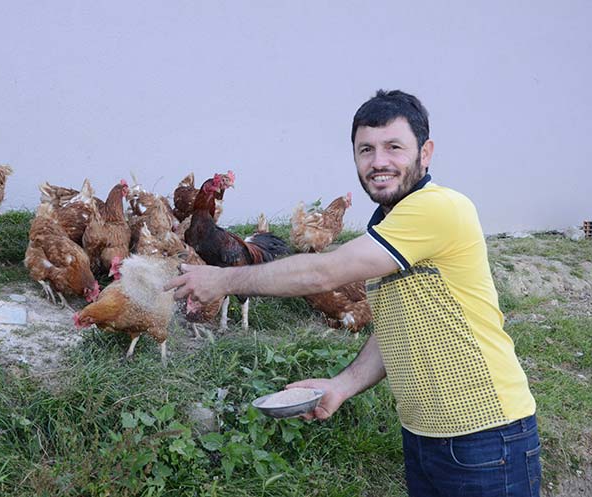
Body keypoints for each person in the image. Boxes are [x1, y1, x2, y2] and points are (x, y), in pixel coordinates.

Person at [166, 89, 542, 496]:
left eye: (394, 147)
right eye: (366, 149)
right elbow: (399, 325)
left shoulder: (439, 207)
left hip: (485, 436)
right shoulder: (389, 225)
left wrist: (223, 280)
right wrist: (341, 385)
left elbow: (324, 271)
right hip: (426, 436)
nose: (378, 161)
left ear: (426, 152)